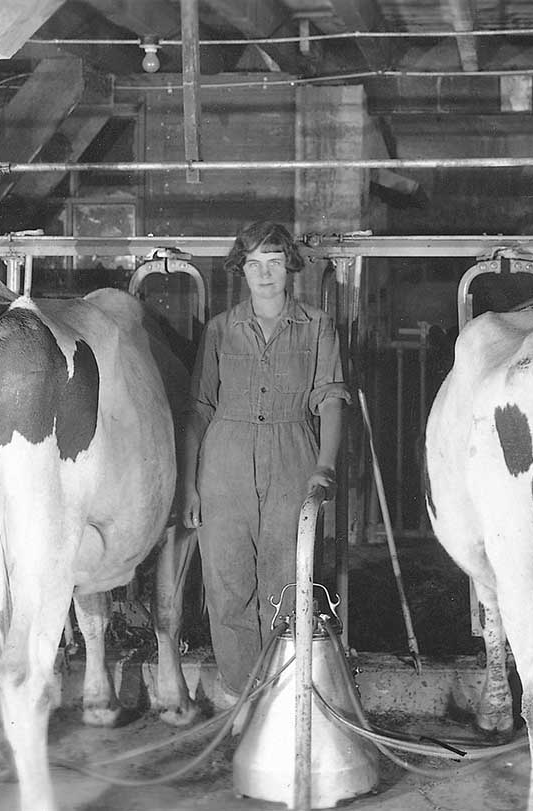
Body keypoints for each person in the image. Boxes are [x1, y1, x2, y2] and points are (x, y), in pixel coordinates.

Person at [177, 221, 349, 708]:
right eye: (254, 264)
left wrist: (324, 467)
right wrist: (190, 485)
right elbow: (200, 408)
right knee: (227, 587)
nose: (265, 274)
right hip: (223, 464)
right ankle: (240, 699)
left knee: (286, 586)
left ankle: (281, 703)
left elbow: (332, 399)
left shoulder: (317, 326)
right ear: (242, 270)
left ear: (290, 266)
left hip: (292, 456)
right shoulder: (218, 329)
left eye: (274, 263)